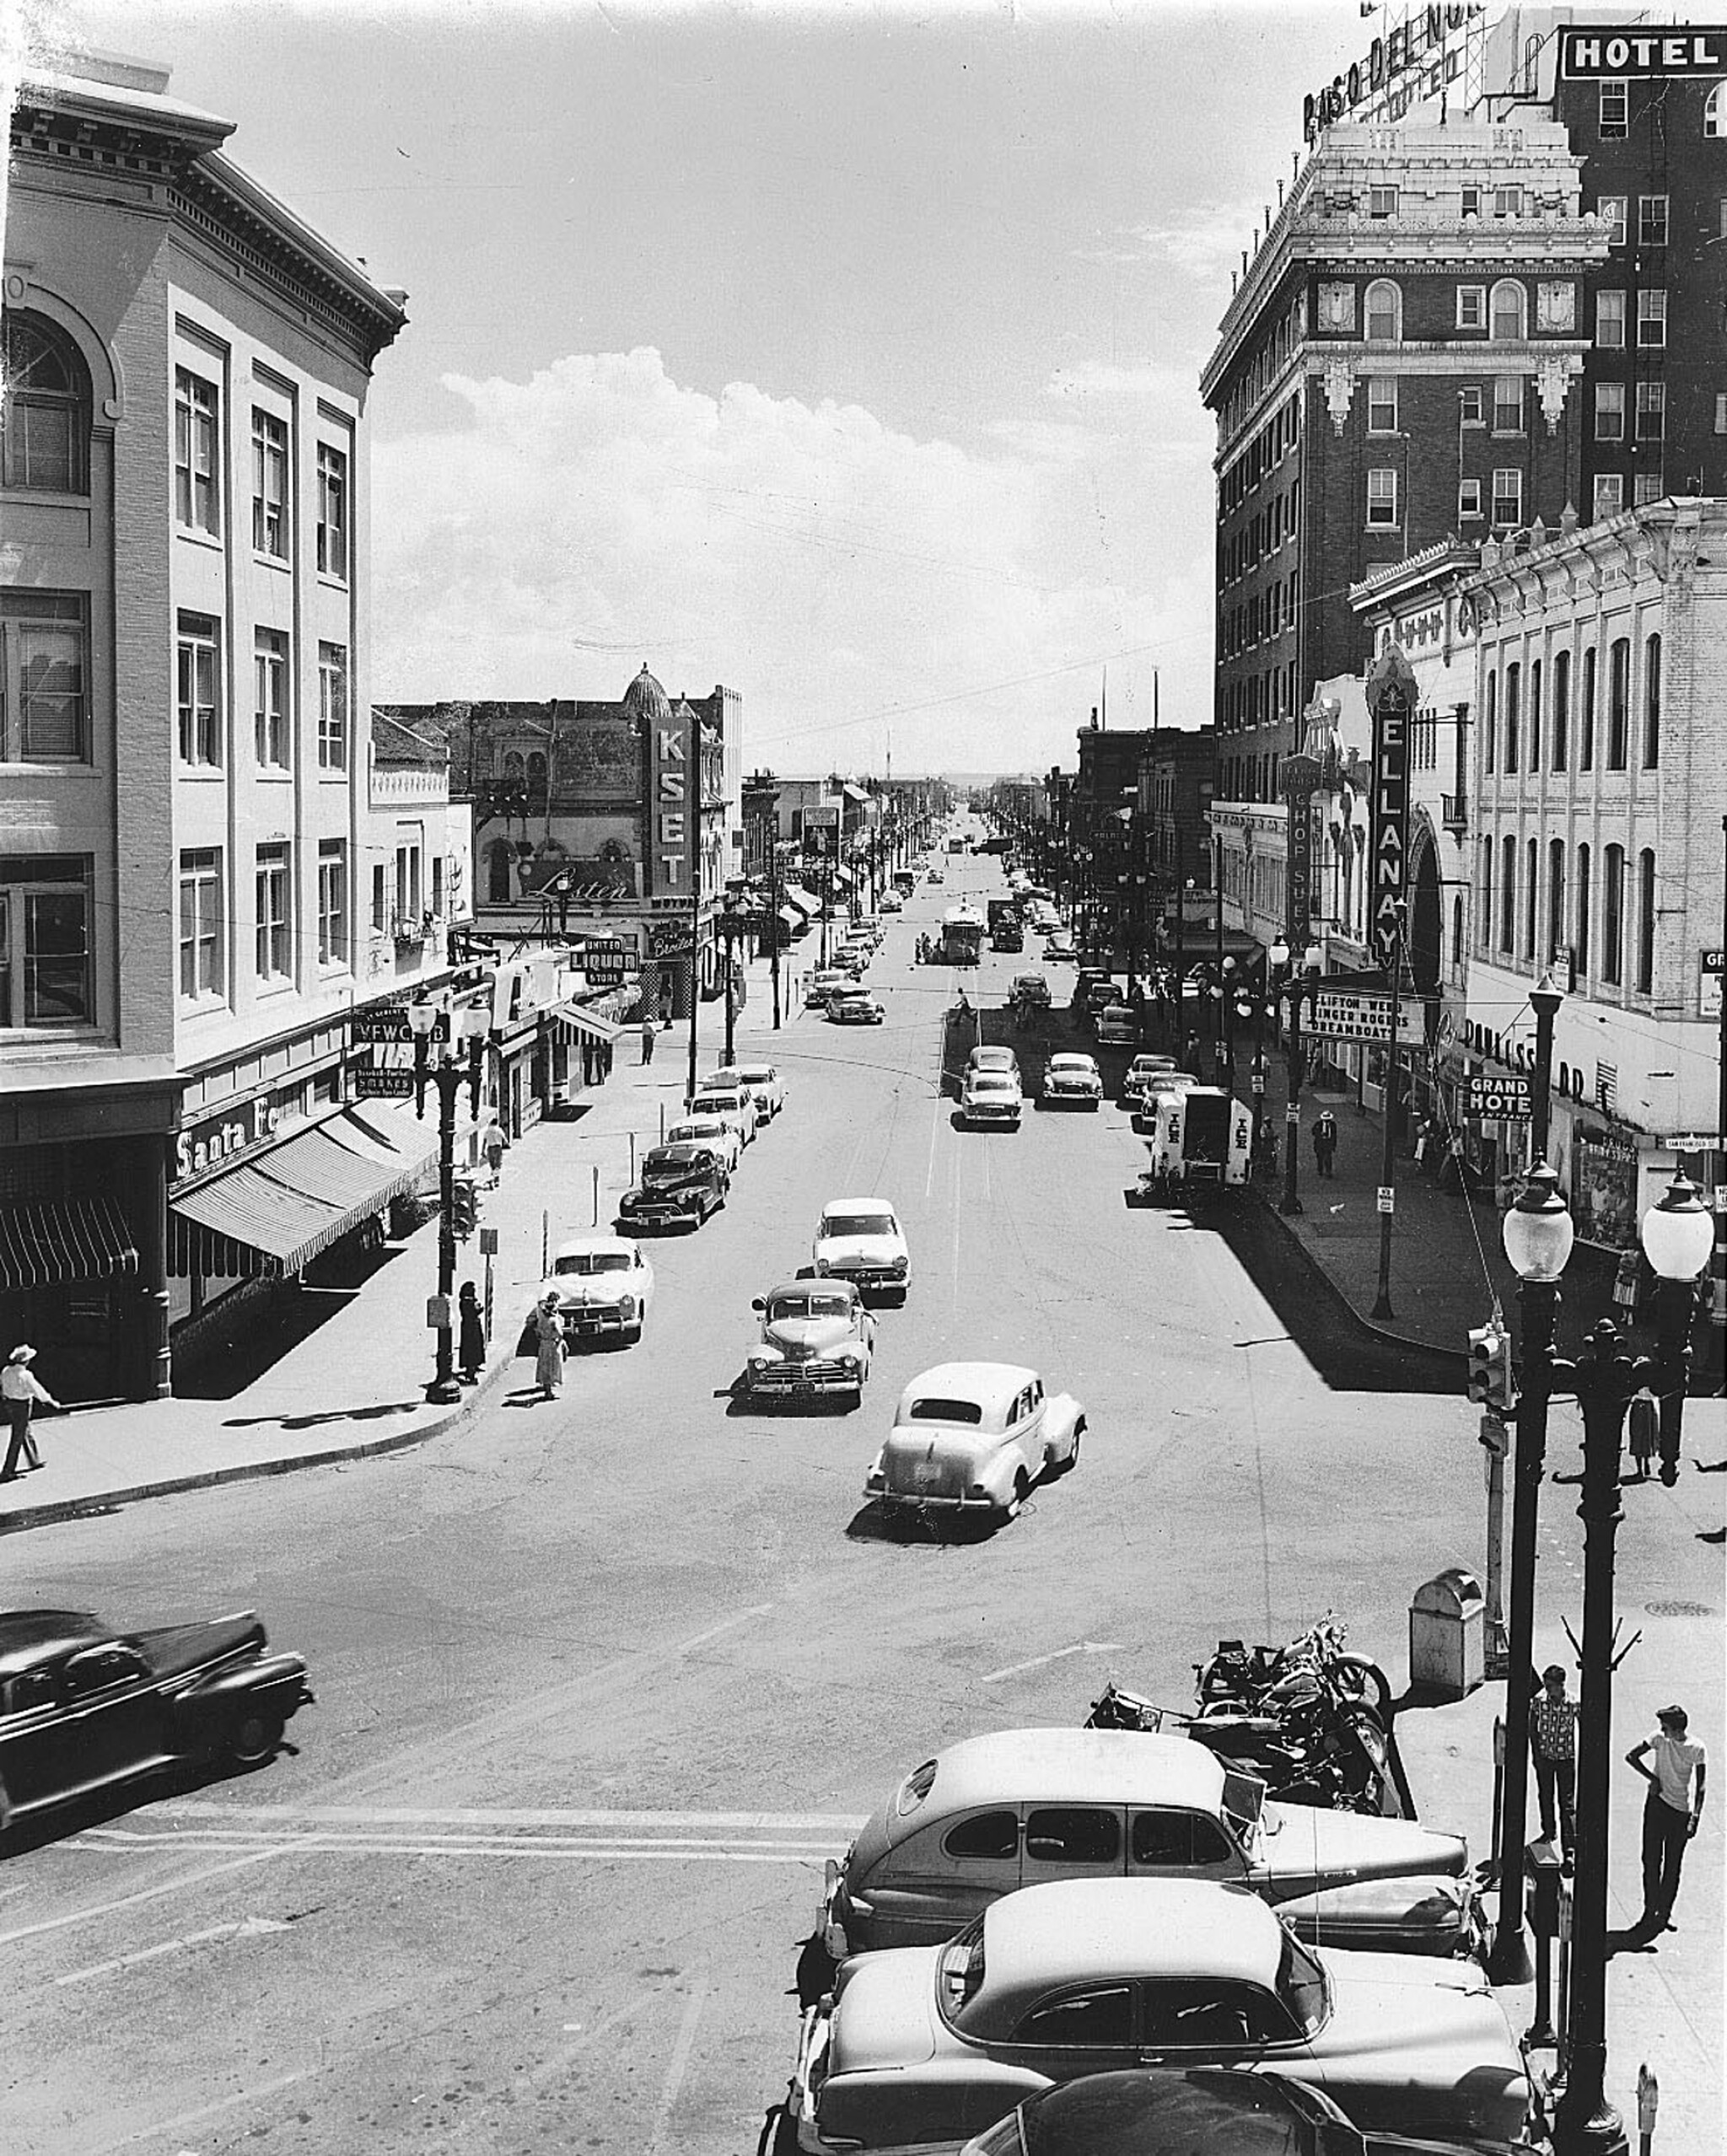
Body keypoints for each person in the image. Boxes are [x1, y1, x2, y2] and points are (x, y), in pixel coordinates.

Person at [1627, 1703, 1707, 1933]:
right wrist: (1653, 1778)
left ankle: (1664, 1912)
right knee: (1650, 1861)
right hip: (1657, 1806)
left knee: (1673, 1866)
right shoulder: (1658, 1740)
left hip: (1680, 1811)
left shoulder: (1696, 1748)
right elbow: (1632, 1756)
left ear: (1676, 1729)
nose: (1661, 1731)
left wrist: (1695, 1817)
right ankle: (1650, 1909)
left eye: (1665, 1727)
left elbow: (1701, 1786)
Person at [1529, 1664, 1578, 1871]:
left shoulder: (1574, 1704)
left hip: (1566, 1758)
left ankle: (1570, 1849)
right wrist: (1536, 1754)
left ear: (1561, 1685)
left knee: (1567, 1805)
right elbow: (1533, 1728)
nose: (1548, 1690)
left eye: (1551, 1686)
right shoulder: (1539, 1702)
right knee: (1545, 1797)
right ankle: (1548, 1831)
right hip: (1546, 1757)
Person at [2, 1345, 60, 1481]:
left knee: (24, 1430)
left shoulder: (6, 1371)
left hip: (9, 1404)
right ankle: (8, 1471)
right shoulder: (26, 1375)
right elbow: (37, 1390)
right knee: (18, 1435)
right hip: (22, 1405)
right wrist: (51, 1402)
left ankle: (34, 1459)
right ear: (26, 1361)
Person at [534, 1292, 567, 1401]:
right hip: (552, 1345)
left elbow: (537, 1333)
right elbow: (560, 1334)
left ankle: (546, 1389)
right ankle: (550, 1391)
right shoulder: (553, 1321)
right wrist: (559, 1342)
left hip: (543, 1344)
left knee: (544, 1366)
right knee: (553, 1366)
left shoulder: (542, 1321)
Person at [1627, 1385, 1659, 1482]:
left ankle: (1645, 1464)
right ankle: (1641, 1467)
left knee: (1645, 1436)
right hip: (1641, 1404)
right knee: (1639, 1436)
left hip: (1647, 1404)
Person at [458, 1282, 487, 1384]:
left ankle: (475, 1365)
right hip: (471, 1327)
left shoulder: (467, 1301)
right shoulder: (466, 1302)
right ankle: (470, 1371)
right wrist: (479, 1310)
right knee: (472, 1348)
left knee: (477, 1345)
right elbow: (471, 1313)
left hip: (471, 1326)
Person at [478, 1114, 508, 1188]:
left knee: (492, 1165)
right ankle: (496, 1180)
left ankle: (494, 1178)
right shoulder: (498, 1129)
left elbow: (484, 1141)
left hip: (490, 1148)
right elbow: (504, 1138)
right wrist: (507, 1144)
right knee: (498, 1165)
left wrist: (482, 1151)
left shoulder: (487, 1130)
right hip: (498, 1148)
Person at [1311, 1108, 1338, 1179]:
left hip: (1328, 1143)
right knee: (1320, 1157)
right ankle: (1320, 1170)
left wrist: (1334, 1145)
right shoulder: (1318, 1124)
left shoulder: (1333, 1125)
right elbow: (1313, 1132)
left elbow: (1334, 1135)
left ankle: (1328, 1172)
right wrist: (1320, 1133)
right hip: (1320, 1143)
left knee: (1328, 1157)